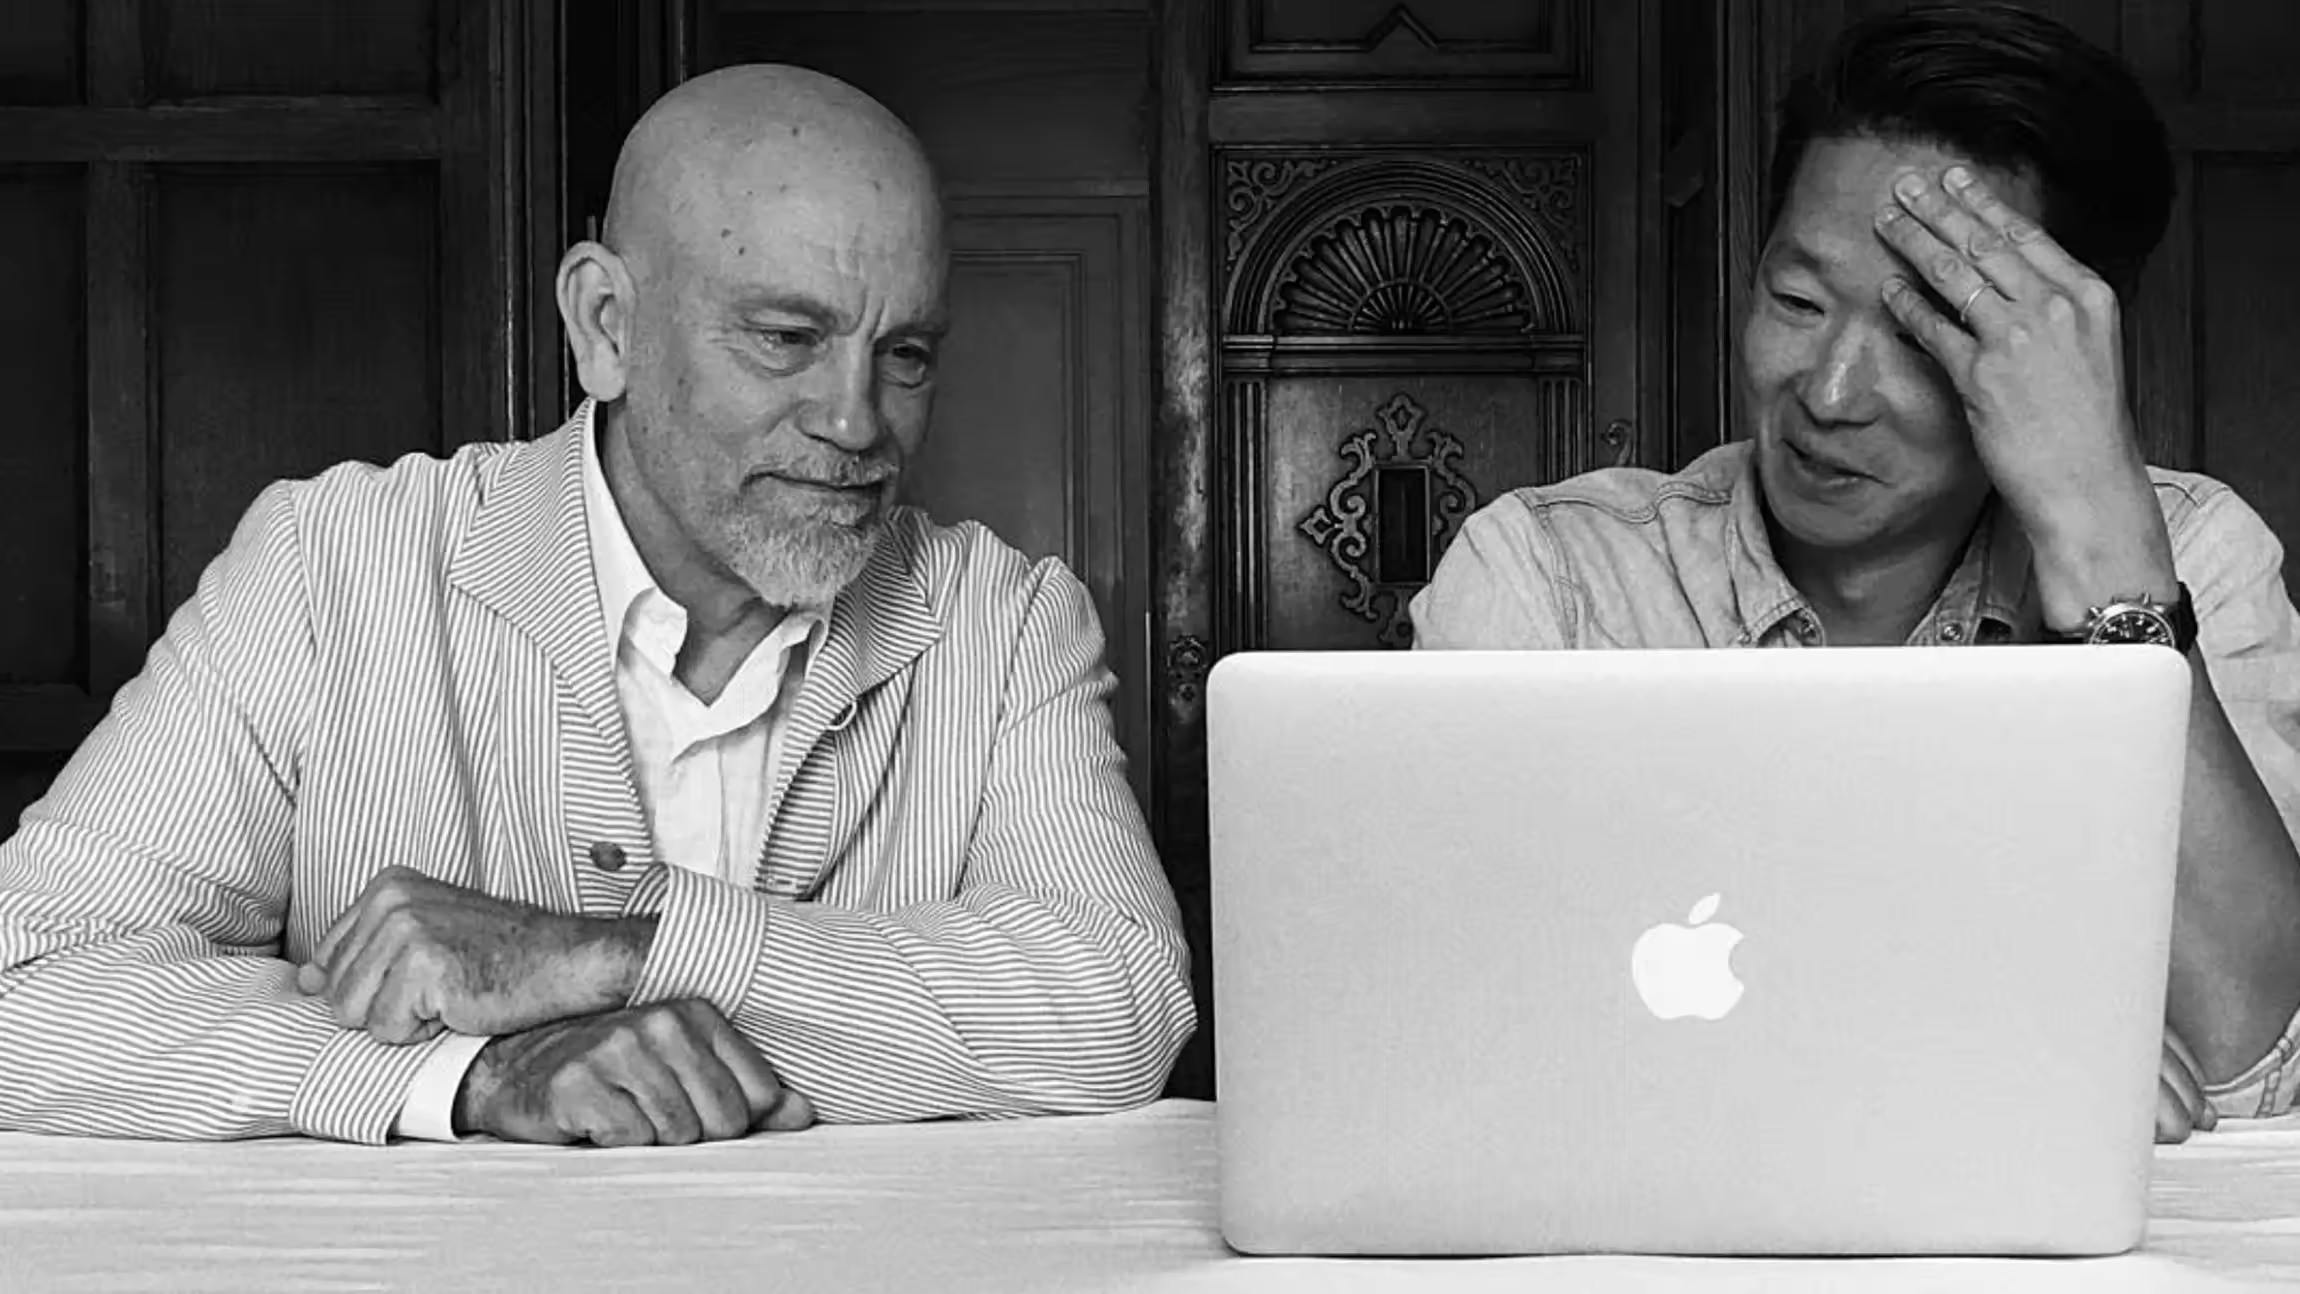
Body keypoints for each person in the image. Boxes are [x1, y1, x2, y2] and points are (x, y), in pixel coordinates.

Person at [0, 65, 1194, 1146]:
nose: (855, 422)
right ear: (605, 326)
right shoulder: (333, 566)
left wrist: (606, 956)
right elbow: (27, 986)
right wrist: (477, 1076)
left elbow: (1119, 1006)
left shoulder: (1008, 617)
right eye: (787, 337)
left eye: (908, 355)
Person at [1412, 1, 2300, 1144]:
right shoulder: (1551, 573)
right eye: (1793, 302)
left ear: (2060, 354)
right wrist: (1944, 1044)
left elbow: (2256, 1071)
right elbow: (1436, 1026)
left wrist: (2103, 544)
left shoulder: (2193, 554)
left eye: (1927, 335)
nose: (1827, 394)